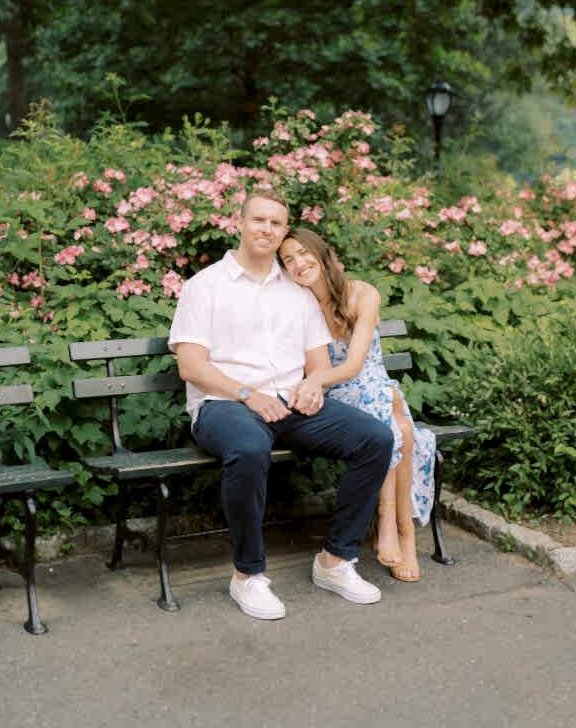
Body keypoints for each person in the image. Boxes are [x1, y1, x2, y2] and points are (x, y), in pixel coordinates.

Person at [169, 189, 394, 621]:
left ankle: (334, 561)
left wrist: (312, 386)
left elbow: (315, 364)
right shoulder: (205, 287)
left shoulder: (296, 292)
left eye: (276, 223)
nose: (267, 230)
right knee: (250, 449)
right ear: (239, 222)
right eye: (259, 220)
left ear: (283, 232)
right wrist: (247, 394)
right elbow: (190, 366)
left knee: (375, 439)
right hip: (224, 404)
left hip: (289, 403)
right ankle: (247, 575)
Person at [278, 228, 436, 583]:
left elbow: (354, 366)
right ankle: (396, 529)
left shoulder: (363, 293)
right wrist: (314, 383)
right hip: (334, 398)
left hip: (366, 383)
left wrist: (315, 379)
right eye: (288, 260)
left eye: (304, 253)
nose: (299, 264)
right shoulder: (297, 305)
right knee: (399, 425)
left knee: (386, 409)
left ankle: (394, 527)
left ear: (322, 254)